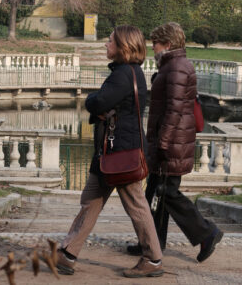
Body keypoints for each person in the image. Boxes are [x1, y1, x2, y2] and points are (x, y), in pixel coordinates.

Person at [56, 25, 164, 278]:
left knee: (136, 206)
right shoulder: (132, 72)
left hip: (119, 154)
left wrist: (92, 101)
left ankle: (154, 258)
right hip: (113, 152)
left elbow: (99, 101)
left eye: (110, 41)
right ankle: (67, 253)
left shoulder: (123, 74)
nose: (106, 45)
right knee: (91, 201)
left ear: (123, 47)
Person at [127, 22, 223, 262]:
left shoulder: (177, 67)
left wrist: (162, 143)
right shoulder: (172, 66)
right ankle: (151, 243)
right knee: (153, 193)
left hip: (171, 144)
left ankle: (206, 232)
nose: (152, 48)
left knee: (167, 193)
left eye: (155, 44)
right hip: (172, 142)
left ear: (167, 44)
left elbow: (174, 109)